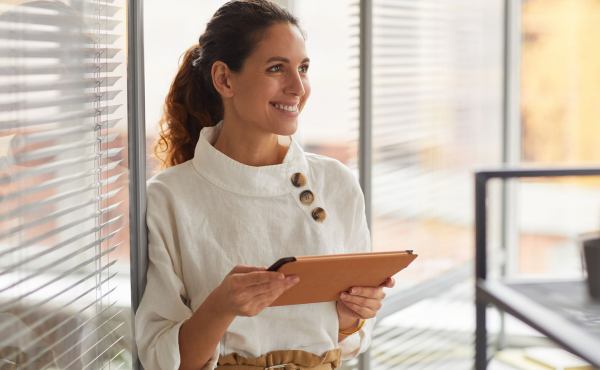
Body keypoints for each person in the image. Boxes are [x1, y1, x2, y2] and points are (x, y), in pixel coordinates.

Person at [135, 1, 396, 369]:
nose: (298, 87)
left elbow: (348, 339)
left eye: (303, 69)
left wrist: (352, 314)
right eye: (277, 68)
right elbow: (160, 359)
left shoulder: (337, 182)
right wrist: (221, 306)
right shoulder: (168, 197)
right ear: (225, 79)